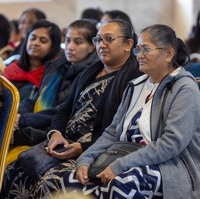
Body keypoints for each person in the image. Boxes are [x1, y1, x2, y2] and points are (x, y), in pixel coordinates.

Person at [1, 19, 143, 199]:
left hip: (95, 150)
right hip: (63, 144)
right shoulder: (90, 72)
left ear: (128, 44)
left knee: (50, 181)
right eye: (98, 40)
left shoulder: (135, 79)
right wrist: (55, 134)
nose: (102, 45)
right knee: (14, 170)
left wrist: (82, 148)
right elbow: (63, 111)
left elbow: (121, 129)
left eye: (109, 39)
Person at [58, 24, 200, 199]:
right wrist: (85, 159)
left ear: (168, 54)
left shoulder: (184, 88)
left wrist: (120, 166)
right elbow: (111, 132)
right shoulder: (136, 85)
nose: (139, 56)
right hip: (124, 156)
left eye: (146, 49)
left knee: (120, 184)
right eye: (138, 50)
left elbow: (171, 144)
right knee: (72, 180)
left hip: (169, 165)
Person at [11, 19, 99, 147]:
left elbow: (64, 110)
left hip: (57, 131)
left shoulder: (91, 74)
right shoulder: (57, 66)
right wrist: (13, 114)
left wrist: (23, 120)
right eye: (68, 40)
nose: (70, 47)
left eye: (78, 42)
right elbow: (36, 99)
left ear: (92, 46)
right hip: (35, 124)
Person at [3, 20, 61, 102]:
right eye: (32, 38)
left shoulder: (54, 75)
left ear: (53, 46)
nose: (35, 43)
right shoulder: (12, 67)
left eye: (43, 40)